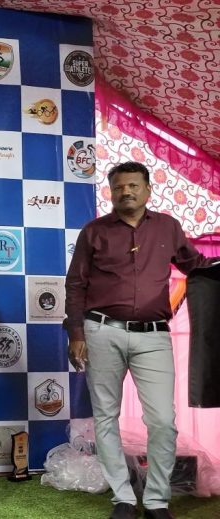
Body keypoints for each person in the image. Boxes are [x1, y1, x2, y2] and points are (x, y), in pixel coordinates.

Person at [65, 161, 213, 519]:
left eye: (133, 186)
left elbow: (195, 266)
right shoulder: (94, 231)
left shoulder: (168, 227)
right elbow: (76, 285)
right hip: (102, 331)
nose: (126, 192)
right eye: (119, 187)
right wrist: (77, 333)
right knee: (106, 417)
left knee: (162, 421)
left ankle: (157, 500)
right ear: (111, 192)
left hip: (153, 335)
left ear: (148, 190)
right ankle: (123, 499)